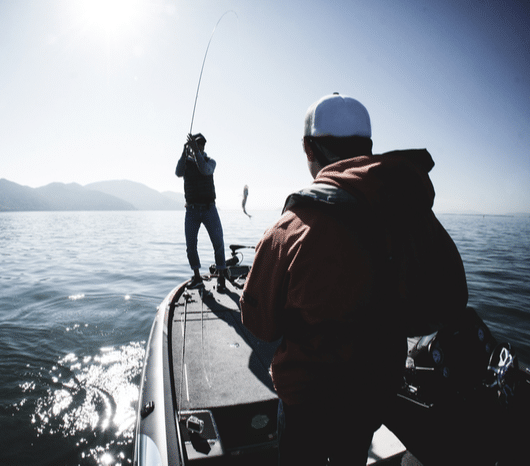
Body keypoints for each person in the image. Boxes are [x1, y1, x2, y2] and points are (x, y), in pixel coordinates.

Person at [240, 93, 468, 465]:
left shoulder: (287, 231)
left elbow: (260, 326)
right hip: (372, 398)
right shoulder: (409, 213)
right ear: (367, 149)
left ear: (307, 147)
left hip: (305, 404)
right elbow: (451, 297)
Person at [176, 133, 228, 289]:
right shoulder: (186, 163)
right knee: (191, 246)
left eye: (198, 145)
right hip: (191, 210)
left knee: (218, 243)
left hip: (209, 209)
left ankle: (221, 278)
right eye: (194, 145)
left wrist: (196, 153)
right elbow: (178, 173)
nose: (196, 148)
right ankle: (197, 277)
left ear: (202, 147)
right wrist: (183, 153)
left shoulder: (210, 161)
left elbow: (205, 170)